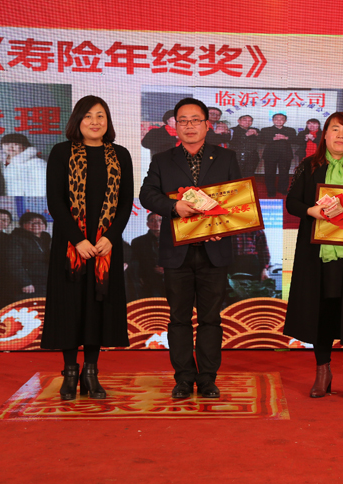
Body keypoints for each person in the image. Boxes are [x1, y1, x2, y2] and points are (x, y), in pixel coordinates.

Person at [139, 97, 241, 399]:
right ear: (175, 127)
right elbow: (147, 195)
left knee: (211, 319)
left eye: (196, 120)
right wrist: (174, 207)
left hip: (214, 249)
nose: (189, 126)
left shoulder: (226, 157)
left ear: (207, 125)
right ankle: (183, 378)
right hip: (177, 251)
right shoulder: (162, 159)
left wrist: (221, 229)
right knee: (179, 319)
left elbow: (238, 200)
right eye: (182, 120)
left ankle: (207, 379)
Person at [40, 95, 134, 401]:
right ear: (77, 121)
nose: (95, 121)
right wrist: (77, 240)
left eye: (100, 116)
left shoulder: (120, 155)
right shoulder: (61, 152)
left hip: (105, 247)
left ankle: (91, 372)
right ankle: (70, 372)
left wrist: (111, 237)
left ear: (108, 121)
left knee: (98, 306)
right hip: (71, 246)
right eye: (88, 116)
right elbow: (55, 201)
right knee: (70, 306)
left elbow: (125, 202)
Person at [284, 112, 343, 400]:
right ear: (324, 135)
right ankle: (322, 373)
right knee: (321, 311)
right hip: (316, 254)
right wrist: (310, 210)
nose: (340, 135)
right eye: (335, 129)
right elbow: (292, 202)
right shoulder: (309, 166)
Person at [0, 212, 51, 307]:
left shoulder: (46, 238)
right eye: (31, 222)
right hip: (29, 284)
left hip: (44, 281)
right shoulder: (15, 239)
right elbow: (13, 263)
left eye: (39, 222)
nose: (35, 225)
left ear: (45, 225)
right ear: (22, 224)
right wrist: (25, 283)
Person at [259, 113, 297, 198]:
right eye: (276, 119)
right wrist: (273, 139)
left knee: (284, 173)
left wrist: (285, 138)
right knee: (269, 173)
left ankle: (283, 189)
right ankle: (271, 191)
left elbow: (296, 140)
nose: (279, 121)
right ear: (273, 120)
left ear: (285, 121)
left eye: (281, 119)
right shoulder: (265, 130)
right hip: (270, 155)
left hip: (285, 155)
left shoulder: (290, 130)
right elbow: (261, 140)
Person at [131, 212, 166, 299]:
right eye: (152, 220)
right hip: (149, 282)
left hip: (171, 280)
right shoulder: (138, 242)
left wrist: (167, 268)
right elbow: (135, 263)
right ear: (148, 224)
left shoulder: (174, 240)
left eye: (160, 220)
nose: (157, 223)